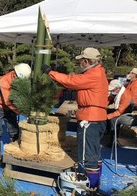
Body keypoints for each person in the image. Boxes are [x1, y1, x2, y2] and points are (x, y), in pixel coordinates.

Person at [43, 48, 108, 190]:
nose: (79, 63)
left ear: (87, 61)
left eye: (81, 60)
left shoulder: (93, 74)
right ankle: (95, 185)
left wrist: (50, 72)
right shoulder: (99, 72)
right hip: (98, 117)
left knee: (88, 156)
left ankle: (89, 188)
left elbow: (71, 81)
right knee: (95, 154)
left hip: (89, 119)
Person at [0, 63, 32, 165]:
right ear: (15, 74)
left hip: (10, 106)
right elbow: (8, 101)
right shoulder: (4, 81)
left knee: (14, 129)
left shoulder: (21, 80)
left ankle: (16, 148)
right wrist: (23, 112)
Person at [107, 79, 135, 145]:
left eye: (113, 89)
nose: (111, 91)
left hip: (127, 114)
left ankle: (113, 141)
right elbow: (109, 100)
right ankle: (108, 132)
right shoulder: (118, 92)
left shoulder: (125, 95)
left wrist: (107, 116)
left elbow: (119, 112)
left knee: (114, 120)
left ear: (118, 88)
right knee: (106, 111)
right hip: (121, 111)